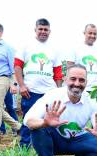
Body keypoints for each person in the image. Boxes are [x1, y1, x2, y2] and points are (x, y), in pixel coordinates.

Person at [14, 18, 63, 148]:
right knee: (28, 118)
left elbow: (58, 72)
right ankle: (25, 146)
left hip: (49, 92)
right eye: (40, 29)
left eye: (45, 29)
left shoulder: (54, 49)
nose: (43, 32)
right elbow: (17, 66)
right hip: (30, 91)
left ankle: (47, 146)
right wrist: (22, 85)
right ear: (35, 29)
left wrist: (58, 91)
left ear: (49, 31)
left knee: (49, 120)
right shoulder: (26, 46)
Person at [0, 21, 21, 144]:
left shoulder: (7, 48)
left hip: (2, 79)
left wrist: (14, 84)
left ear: (1, 33)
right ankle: (18, 127)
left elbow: (14, 67)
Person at [66, 24, 97, 92]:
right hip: (80, 89)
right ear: (84, 33)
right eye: (90, 33)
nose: (92, 36)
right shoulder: (75, 49)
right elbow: (69, 68)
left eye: (95, 34)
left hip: (96, 91)